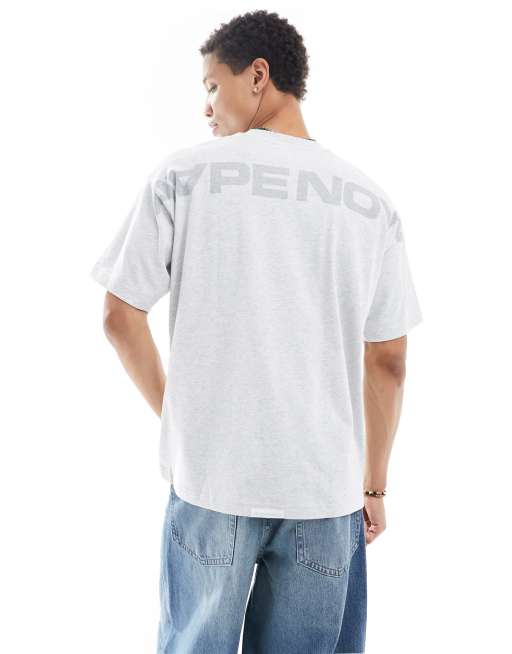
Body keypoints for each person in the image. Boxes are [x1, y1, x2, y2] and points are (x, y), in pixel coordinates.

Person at [90, 9, 422, 654]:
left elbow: (118, 315)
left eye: (213, 86)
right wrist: (373, 485)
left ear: (258, 75)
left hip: (214, 479)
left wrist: (182, 419)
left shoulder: (184, 176)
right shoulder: (370, 202)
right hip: (324, 491)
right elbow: (388, 359)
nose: (206, 107)